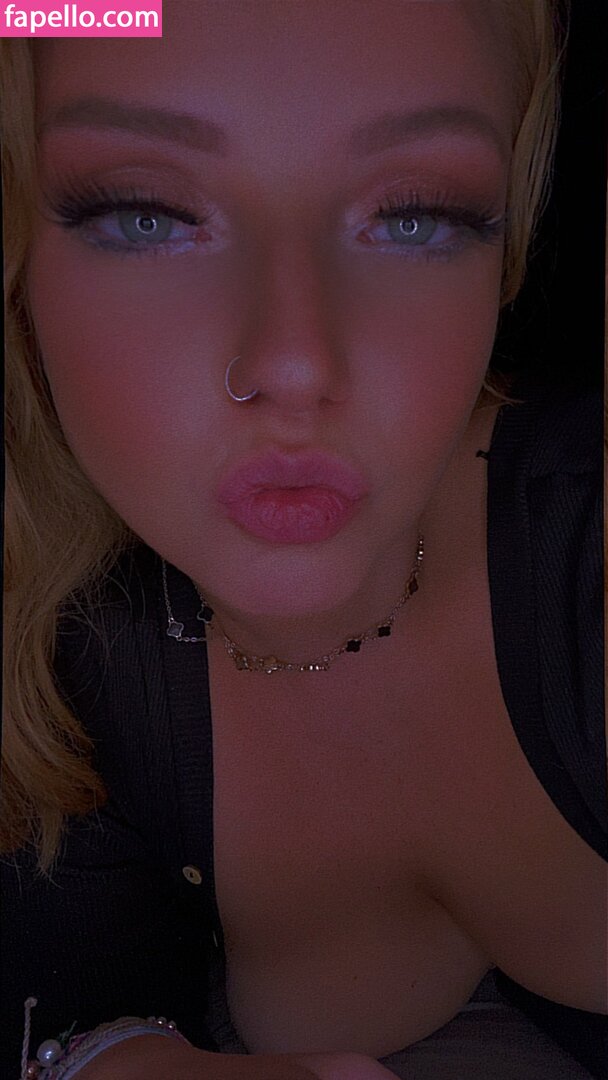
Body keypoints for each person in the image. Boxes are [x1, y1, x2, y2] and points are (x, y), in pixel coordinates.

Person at [1, 2, 606, 1078]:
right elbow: (73, 987)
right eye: (147, 215)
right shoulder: (65, 635)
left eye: (413, 216)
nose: (294, 363)